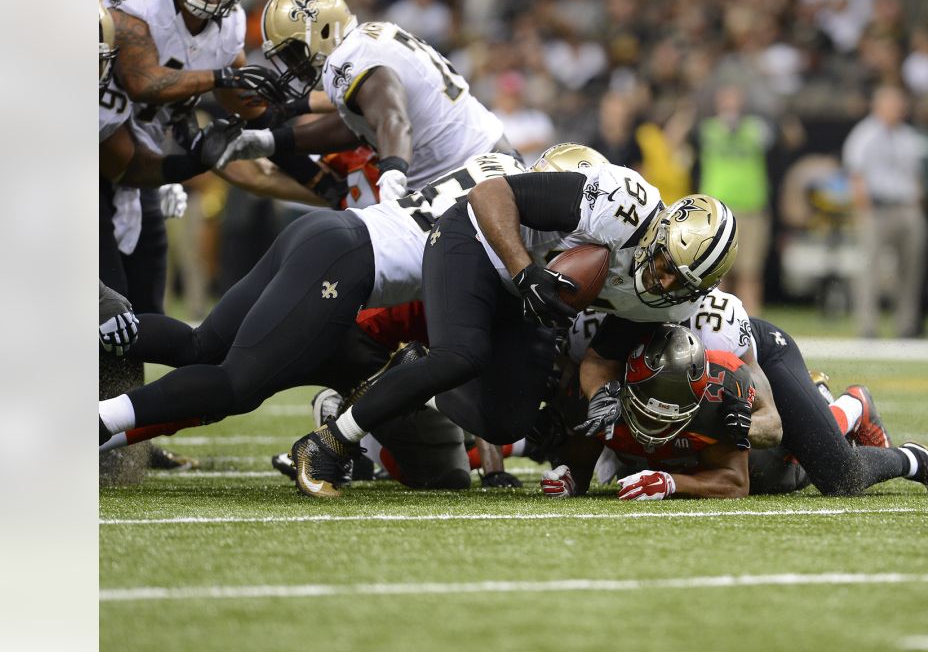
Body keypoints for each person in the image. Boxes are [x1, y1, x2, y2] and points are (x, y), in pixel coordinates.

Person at [288, 151, 739, 498]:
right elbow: (488, 195)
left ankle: (409, 371)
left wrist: (600, 397)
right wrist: (525, 273)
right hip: (481, 245)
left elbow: (601, 354)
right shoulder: (618, 205)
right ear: (658, 233)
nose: (661, 282)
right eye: (663, 263)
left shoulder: (670, 304)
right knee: (460, 355)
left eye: (678, 281)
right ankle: (330, 442)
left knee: (506, 420)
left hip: (526, 291)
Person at [98, 152, 526, 452]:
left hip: (326, 230)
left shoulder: (497, 164)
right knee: (235, 385)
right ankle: (98, 420)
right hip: (347, 262)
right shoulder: (522, 222)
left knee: (201, 345)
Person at [100, 0, 321, 313]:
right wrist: (222, 78)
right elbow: (144, 83)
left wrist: (327, 184)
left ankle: (125, 374)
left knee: (143, 316)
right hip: (95, 162)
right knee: (108, 314)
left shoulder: (227, 26)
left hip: (141, 167)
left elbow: (261, 119)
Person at [540, 324, 928, 499]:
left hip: (756, 359)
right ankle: (826, 403)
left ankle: (861, 416)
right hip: (676, 358)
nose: (656, 423)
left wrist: (673, 482)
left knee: (812, 471)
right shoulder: (604, 381)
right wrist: (570, 476)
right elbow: (582, 454)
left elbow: (746, 465)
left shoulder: (721, 380)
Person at [210, 0, 516, 199]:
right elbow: (358, 125)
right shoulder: (371, 36)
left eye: (292, 53)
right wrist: (269, 140)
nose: (293, 65)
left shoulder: (345, 60)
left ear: (322, 30)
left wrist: (394, 169)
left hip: (466, 177)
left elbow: (391, 117)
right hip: (488, 157)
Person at [841, 85, 928, 338]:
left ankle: (907, 325)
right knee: (869, 269)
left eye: (899, 103)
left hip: (907, 208)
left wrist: (917, 207)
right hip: (877, 208)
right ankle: (867, 326)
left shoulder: (908, 137)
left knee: (911, 270)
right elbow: (856, 175)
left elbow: (916, 176)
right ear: (878, 105)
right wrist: (864, 212)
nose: (897, 109)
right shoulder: (864, 134)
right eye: (892, 103)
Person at [693, 84, 774, 314]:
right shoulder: (708, 129)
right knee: (717, 273)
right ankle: (716, 321)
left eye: (734, 101)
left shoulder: (755, 129)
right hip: (719, 212)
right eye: (726, 101)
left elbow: (785, 138)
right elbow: (676, 141)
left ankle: (751, 324)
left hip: (752, 208)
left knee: (750, 272)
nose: (730, 106)